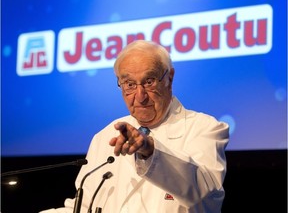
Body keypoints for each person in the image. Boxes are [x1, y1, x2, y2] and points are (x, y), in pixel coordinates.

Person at [40, 40, 229, 213]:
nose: (140, 96)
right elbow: (83, 207)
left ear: (169, 78)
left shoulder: (205, 128)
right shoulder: (104, 137)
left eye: (149, 81)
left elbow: (207, 198)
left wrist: (150, 151)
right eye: (129, 84)